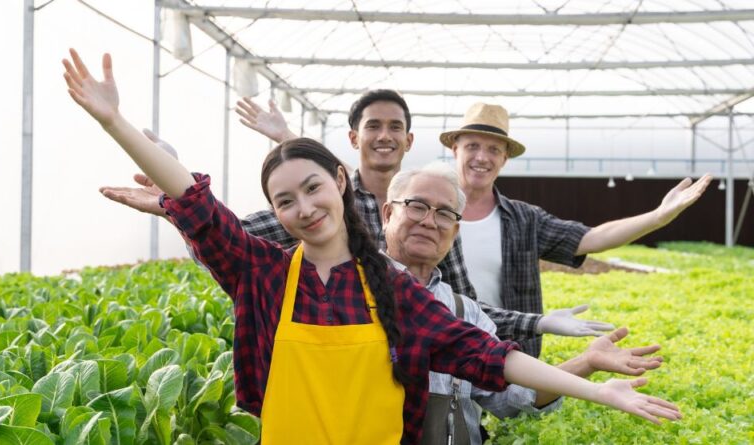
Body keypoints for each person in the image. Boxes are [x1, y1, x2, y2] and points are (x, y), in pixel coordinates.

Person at [63, 49, 681, 444]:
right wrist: (113, 122)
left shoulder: (398, 294)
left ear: (340, 182)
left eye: (312, 189)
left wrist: (597, 387)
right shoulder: (264, 275)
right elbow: (199, 208)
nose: (303, 209)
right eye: (284, 202)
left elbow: (492, 358)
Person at [100, 92, 616, 341]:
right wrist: (175, 195)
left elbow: (457, 308)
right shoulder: (321, 213)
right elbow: (224, 236)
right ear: (353, 140)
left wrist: (538, 325)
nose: (384, 135)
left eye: (396, 127)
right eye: (373, 126)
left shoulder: (426, 213)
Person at [380, 163, 665, 444]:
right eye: (417, 206)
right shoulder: (353, 290)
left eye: (444, 214)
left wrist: (587, 362)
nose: (429, 221)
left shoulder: (464, 312)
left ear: (454, 233)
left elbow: (511, 400)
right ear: (388, 213)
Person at [441, 103, 713, 357]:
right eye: (472, 146)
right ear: (455, 150)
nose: (482, 157)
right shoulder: (430, 211)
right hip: (444, 350)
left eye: (494, 150)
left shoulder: (524, 219)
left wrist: (658, 217)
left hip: (507, 356)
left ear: (504, 159)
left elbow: (592, 238)